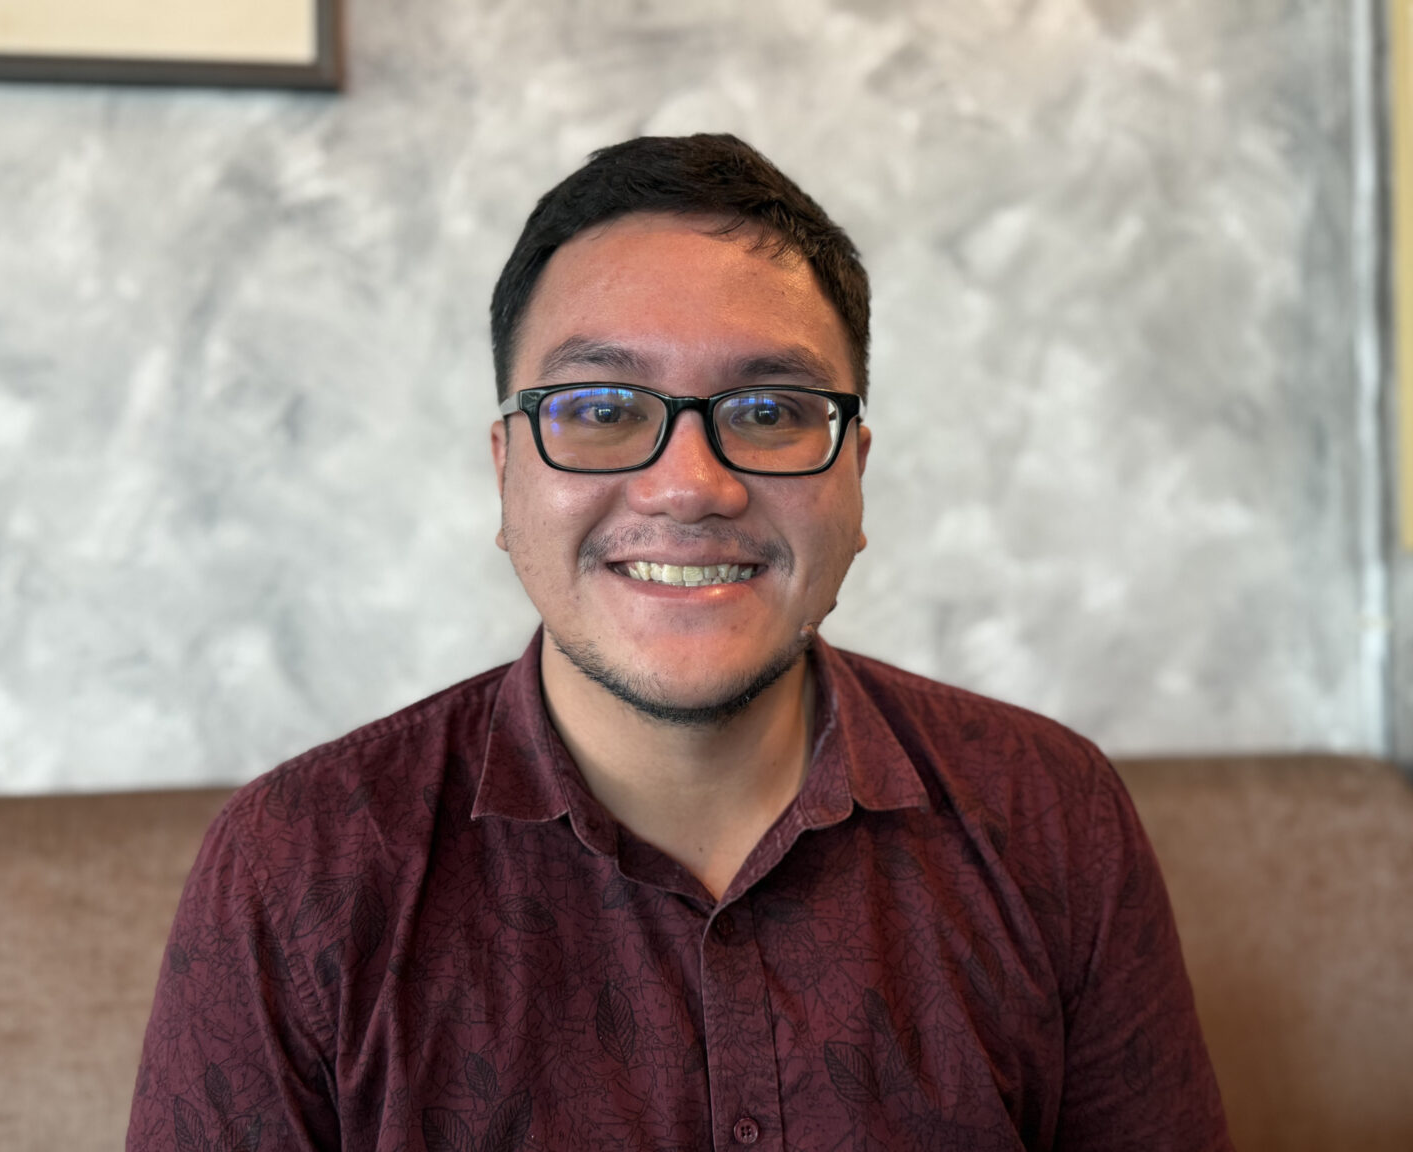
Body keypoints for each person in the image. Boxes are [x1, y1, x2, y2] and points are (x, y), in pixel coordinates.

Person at [127, 134, 1231, 1152]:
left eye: (769, 412)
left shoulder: (1050, 816)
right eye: (603, 409)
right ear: (507, 472)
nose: (689, 486)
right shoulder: (299, 870)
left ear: (855, 476)